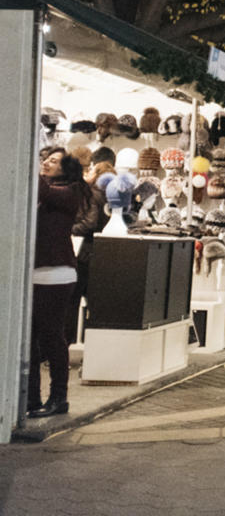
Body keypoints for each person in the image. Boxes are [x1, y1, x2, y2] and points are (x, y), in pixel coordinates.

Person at [29, 147, 88, 418]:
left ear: (66, 169)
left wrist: (32, 158)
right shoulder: (44, 192)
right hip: (34, 272)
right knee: (29, 340)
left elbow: (44, 192)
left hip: (57, 273)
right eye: (46, 159)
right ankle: (29, 398)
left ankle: (58, 397)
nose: (47, 164)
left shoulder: (70, 192)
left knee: (53, 338)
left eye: (54, 161)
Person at [65, 160, 112, 344]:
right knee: (97, 304)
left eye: (92, 170)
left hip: (85, 253)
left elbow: (89, 223)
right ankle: (96, 347)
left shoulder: (92, 194)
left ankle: (66, 345)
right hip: (103, 253)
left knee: (72, 302)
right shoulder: (111, 196)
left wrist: (68, 228)